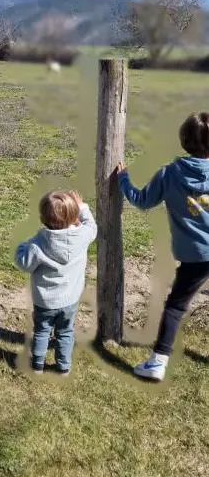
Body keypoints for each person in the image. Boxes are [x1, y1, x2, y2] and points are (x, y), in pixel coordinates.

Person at [117, 111, 209, 381]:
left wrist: (123, 179)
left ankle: (157, 363)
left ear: (183, 140)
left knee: (176, 307)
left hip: (195, 255)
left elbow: (142, 200)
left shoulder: (170, 174)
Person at [14, 190, 97, 375]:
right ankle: (63, 367)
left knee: (42, 332)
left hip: (45, 301)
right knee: (66, 332)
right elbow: (92, 226)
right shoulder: (82, 236)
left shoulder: (38, 243)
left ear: (43, 219)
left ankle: (37, 365)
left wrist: (23, 246)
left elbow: (24, 263)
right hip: (71, 299)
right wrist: (82, 206)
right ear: (74, 216)